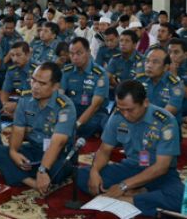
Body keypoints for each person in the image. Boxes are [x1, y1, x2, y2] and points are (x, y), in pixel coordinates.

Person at [77, 80, 184, 217]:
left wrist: (123, 186)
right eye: (121, 109)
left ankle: (128, 199)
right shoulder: (117, 116)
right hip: (131, 168)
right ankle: (142, 197)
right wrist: (95, 171)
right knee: (82, 176)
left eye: (130, 110)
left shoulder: (165, 121)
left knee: (180, 198)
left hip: (159, 174)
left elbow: (161, 167)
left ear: (145, 102)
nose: (125, 114)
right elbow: (104, 150)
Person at [0, 62, 77, 194]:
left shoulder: (65, 106)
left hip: (59, 154)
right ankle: (33, 183)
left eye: (42, 83)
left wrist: (43, 169)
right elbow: (18, 131)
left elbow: (57, 143)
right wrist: (13, 153)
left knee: (57, 171)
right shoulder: (25, 100)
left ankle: (18, 173)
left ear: (55, 86)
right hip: (34, 149)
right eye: (33, 80)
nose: (35, 86)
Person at [60, 37, 109, 138]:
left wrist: (76, 125)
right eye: (71, 54)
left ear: (88, 52)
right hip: (72, 112)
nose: (75, 57)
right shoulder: (66, 71)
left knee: (102, 122)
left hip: (93, 114)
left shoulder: (100, 74)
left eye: (79, 53)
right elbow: (60, 97)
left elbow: (94, 106)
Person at [136, 47, 183, 124]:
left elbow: (166, 114)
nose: (149, 65)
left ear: (166, 67)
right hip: (139, 124)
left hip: (166, 127)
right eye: (147, 61)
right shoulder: (139, 80)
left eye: (155, 62)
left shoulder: (175, 85)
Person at [0, 41, 38, 118]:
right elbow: (5, 92)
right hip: (18, 105)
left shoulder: (37, 70)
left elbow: (40, 98)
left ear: (28, 55)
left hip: (34, 107)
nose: (15, 59)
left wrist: (18, 107)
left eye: (18, 55)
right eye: (12, 55)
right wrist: (5, 105)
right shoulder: (11, 71)